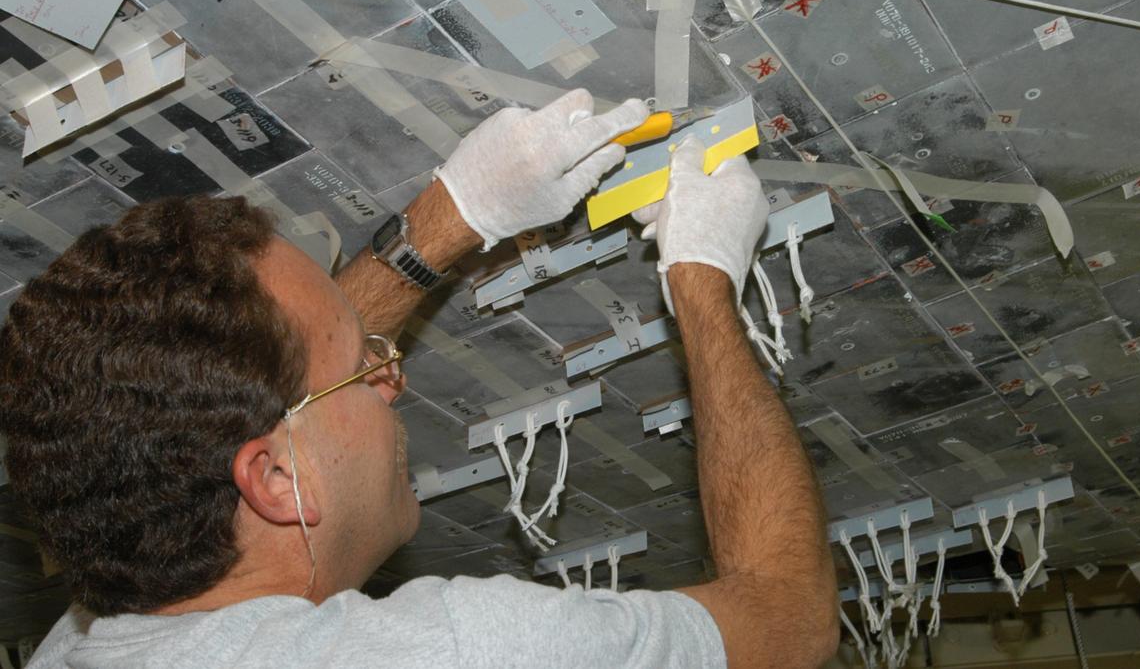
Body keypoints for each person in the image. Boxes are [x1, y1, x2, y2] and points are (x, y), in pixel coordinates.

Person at [0, 90, 838, 669]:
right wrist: (702, 280)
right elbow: (790, 624)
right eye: (363, 376)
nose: (392, 378)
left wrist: (457, 214)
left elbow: (290, 374)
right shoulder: (456, 650)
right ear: (274, 479)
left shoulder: (87, 640)